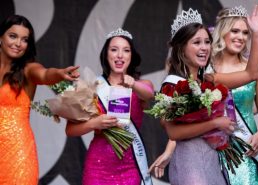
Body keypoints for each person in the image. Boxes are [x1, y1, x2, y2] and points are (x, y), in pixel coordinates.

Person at [149, 4, 258, 185]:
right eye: (196, 42)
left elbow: (252, 74)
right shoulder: (172, 84)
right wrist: (214, 123)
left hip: (213, 162)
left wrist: (256, 35)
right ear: (181, 48)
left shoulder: (209, 79)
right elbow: (173, 132)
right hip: (190, 162)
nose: (204, 48)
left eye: (207, 42)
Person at [65, 28, 154, 185]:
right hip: (98, 167)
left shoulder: (141, 85)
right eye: (114, 50)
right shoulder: (92, 86)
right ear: (106, 55)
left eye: (126, 50)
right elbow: (70, 130)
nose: (120, 55)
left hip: (130, 166)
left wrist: (132, 84)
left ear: (131, 56)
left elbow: (149, 94)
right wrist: (95, 123)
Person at [0, 15, 79, 185]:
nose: (18, 43)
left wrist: (59, 74)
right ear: (1, 37)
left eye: (24, 39)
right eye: (12, 36)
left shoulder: (28, 69)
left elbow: (45, 74)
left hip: (16, 154)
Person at [208, 5, 258, 185]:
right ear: (223, 32)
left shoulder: (255, 67)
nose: (241, 37)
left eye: (245, 33)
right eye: (235, 31)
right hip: (212, 149)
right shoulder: (207, 70)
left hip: (246, 147)